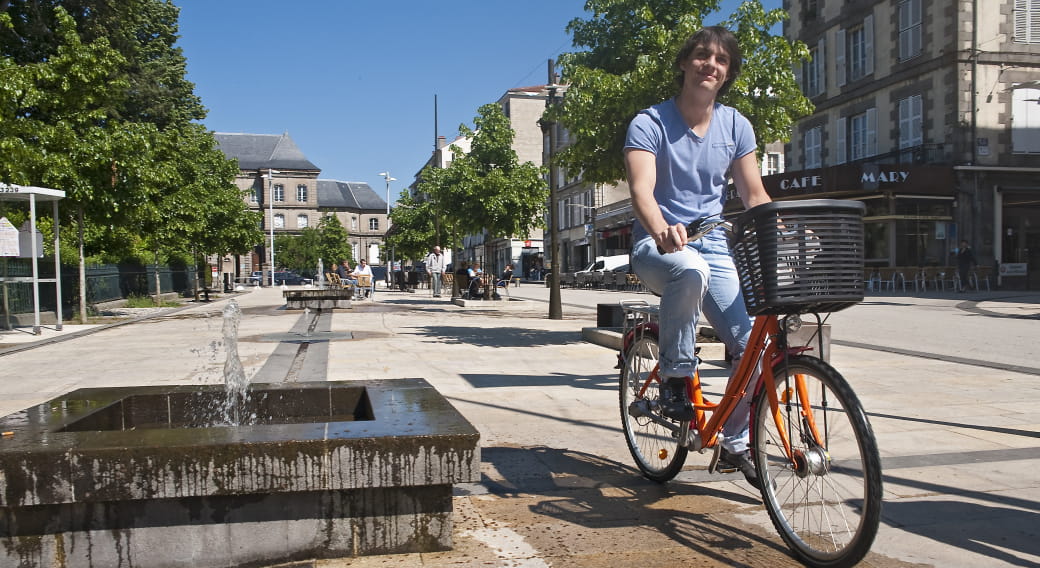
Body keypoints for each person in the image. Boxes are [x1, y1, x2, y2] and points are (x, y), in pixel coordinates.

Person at [624, 26, 771, 489]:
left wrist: (780, 226)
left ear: (727, 73)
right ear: (686, 63)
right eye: (704, 56)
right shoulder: (649, 122)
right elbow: (640, 190)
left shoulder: (736, 125)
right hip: (657, 244)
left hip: (713, 241)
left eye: (722, 60)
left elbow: (753, 193)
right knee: (689, 268)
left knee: (758, 346)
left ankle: (735, 437)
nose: (712, 65)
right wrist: (661, 228)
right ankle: (675, 376)